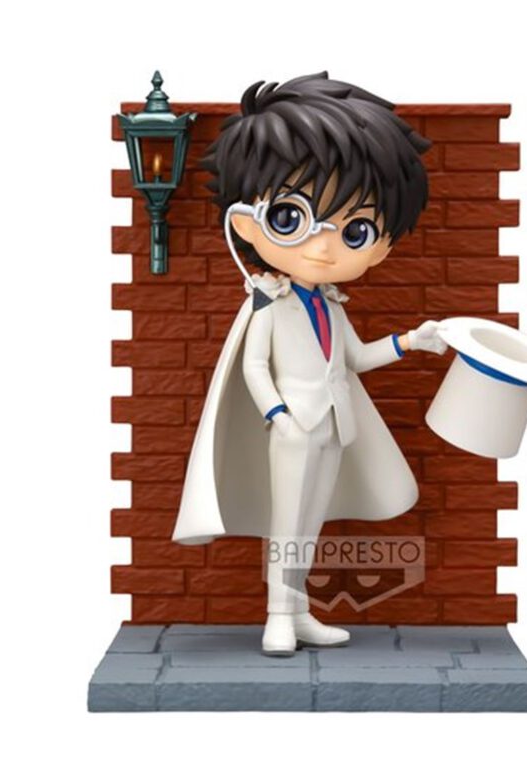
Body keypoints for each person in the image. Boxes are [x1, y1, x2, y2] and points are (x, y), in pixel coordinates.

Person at [172, 72, 447, 655]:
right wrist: (279, 415)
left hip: (333, 426)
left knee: (310, 522)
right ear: (246, 224)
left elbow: (354, 358)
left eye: (356, 229)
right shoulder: (269, 303)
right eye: (292, 218)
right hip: (295, 426)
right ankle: (277, 614)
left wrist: (409, 342)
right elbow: (253, 368)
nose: (324, 247)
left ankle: (298, 612)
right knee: (288, 522)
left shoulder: (332, 305)